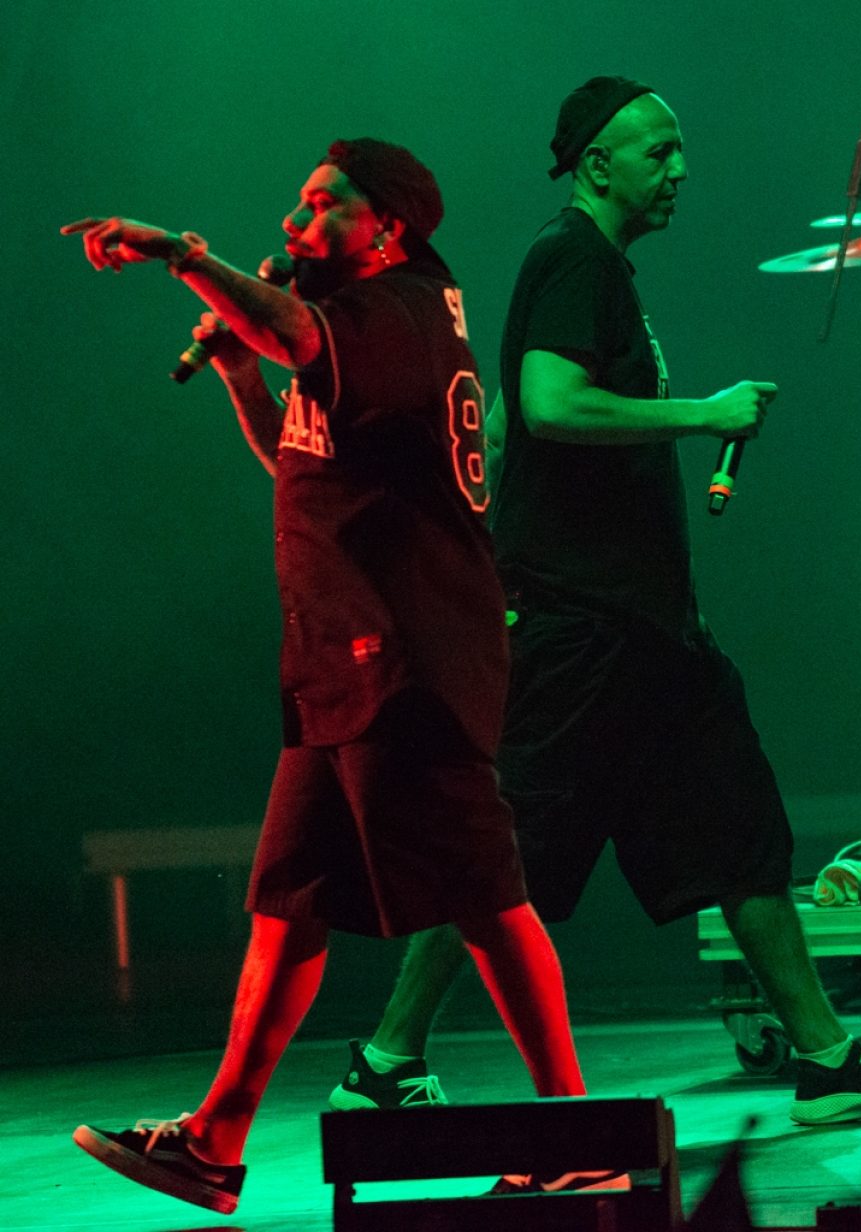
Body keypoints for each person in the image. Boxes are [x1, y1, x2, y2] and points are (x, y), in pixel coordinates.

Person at [326, 79, 861, 1128]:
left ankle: (825, 1058)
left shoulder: (596, 270)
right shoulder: (572, 257)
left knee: (740, 828)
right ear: (597, 166)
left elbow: (517, 423)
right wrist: (702, 411)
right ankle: (386, 1061)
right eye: (658, 152)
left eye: (679, 151)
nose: (679, 170)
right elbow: (549, 404)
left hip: (645, 634)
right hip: (580, 629)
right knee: (504, 850)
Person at [61, 138, 625, 1215]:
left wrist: (181, 254)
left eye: (323, 205)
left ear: (386, 229)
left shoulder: (398, 313)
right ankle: (213, 1141)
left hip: (403, 661)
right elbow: (302, 457)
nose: (295, 222)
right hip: (341, 661)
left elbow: (293, 332)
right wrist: (240, 374)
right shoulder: (372, 326)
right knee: (289, 901)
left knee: (486, 894)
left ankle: (575, 1133)